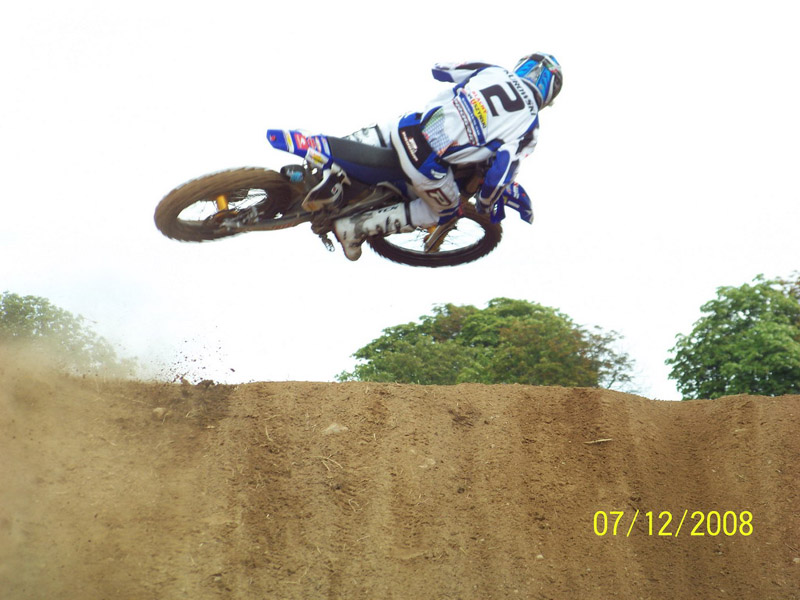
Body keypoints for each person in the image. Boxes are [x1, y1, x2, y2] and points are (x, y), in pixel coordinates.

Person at [303, 53, 563, 261]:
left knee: (393, 126)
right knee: (443, 211)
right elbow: (499, 175)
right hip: (426, 161)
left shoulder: (492, 71)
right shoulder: (529, 126)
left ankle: (330, 167)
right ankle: (354, 229)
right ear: (549, 93)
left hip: (407, 127)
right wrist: (484, 205)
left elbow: (440, 70)